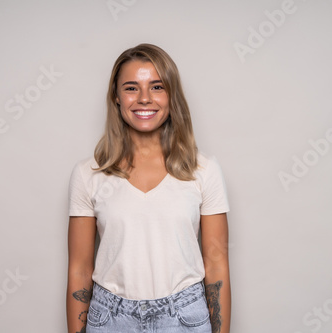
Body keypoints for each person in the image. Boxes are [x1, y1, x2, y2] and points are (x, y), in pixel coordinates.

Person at [66, 43, 231, 333]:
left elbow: (216, 266)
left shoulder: (203, 170)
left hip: (184, 318)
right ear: (116, 97)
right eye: (131, 88)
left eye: (156, 87)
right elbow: (79, 268)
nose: (144, 99)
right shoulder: (88, 173)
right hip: (110, 319)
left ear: (171, 96)